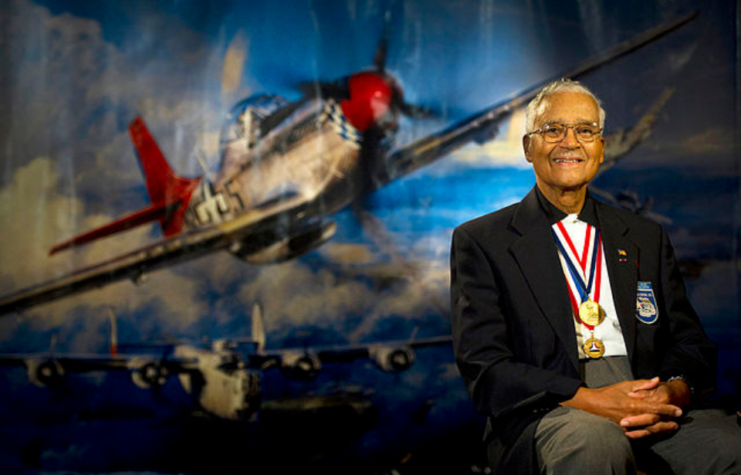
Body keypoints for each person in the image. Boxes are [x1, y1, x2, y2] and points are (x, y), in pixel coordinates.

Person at [450, 78, 741, 474]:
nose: (570, 142)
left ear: (601, 148)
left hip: (644, 396)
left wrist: (671, 392)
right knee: (595, 443)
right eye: (552, 129)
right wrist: (591, 399)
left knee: (729, 445)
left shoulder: (645, 236)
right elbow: (486, 370)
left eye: (585, 130)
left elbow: (691, 344)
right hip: (550, 409)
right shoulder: (482, 240)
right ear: (528, 148)